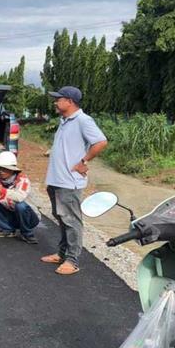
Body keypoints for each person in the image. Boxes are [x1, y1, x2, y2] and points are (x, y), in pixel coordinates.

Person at [42, 86, 107, 275]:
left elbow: (101, 142)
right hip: (56, 180)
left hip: (69, 182)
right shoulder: (64, 121)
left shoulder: (83, 120)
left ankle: (72, 260)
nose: (55, 102)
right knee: (61, 218)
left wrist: (83, 161)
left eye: (58, 99)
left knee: (71, 221)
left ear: (69, 101)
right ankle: (62, 253)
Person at [0, 151, 40, 244]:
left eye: (5, 169)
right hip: (12, 214)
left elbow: (19, 197)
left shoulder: (22, 180)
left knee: (20, 205)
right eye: (0, 168)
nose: (1, 171)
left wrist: (0, 189)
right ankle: (8, 229)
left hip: (30, 217)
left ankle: (27, 233)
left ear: (12, 170)